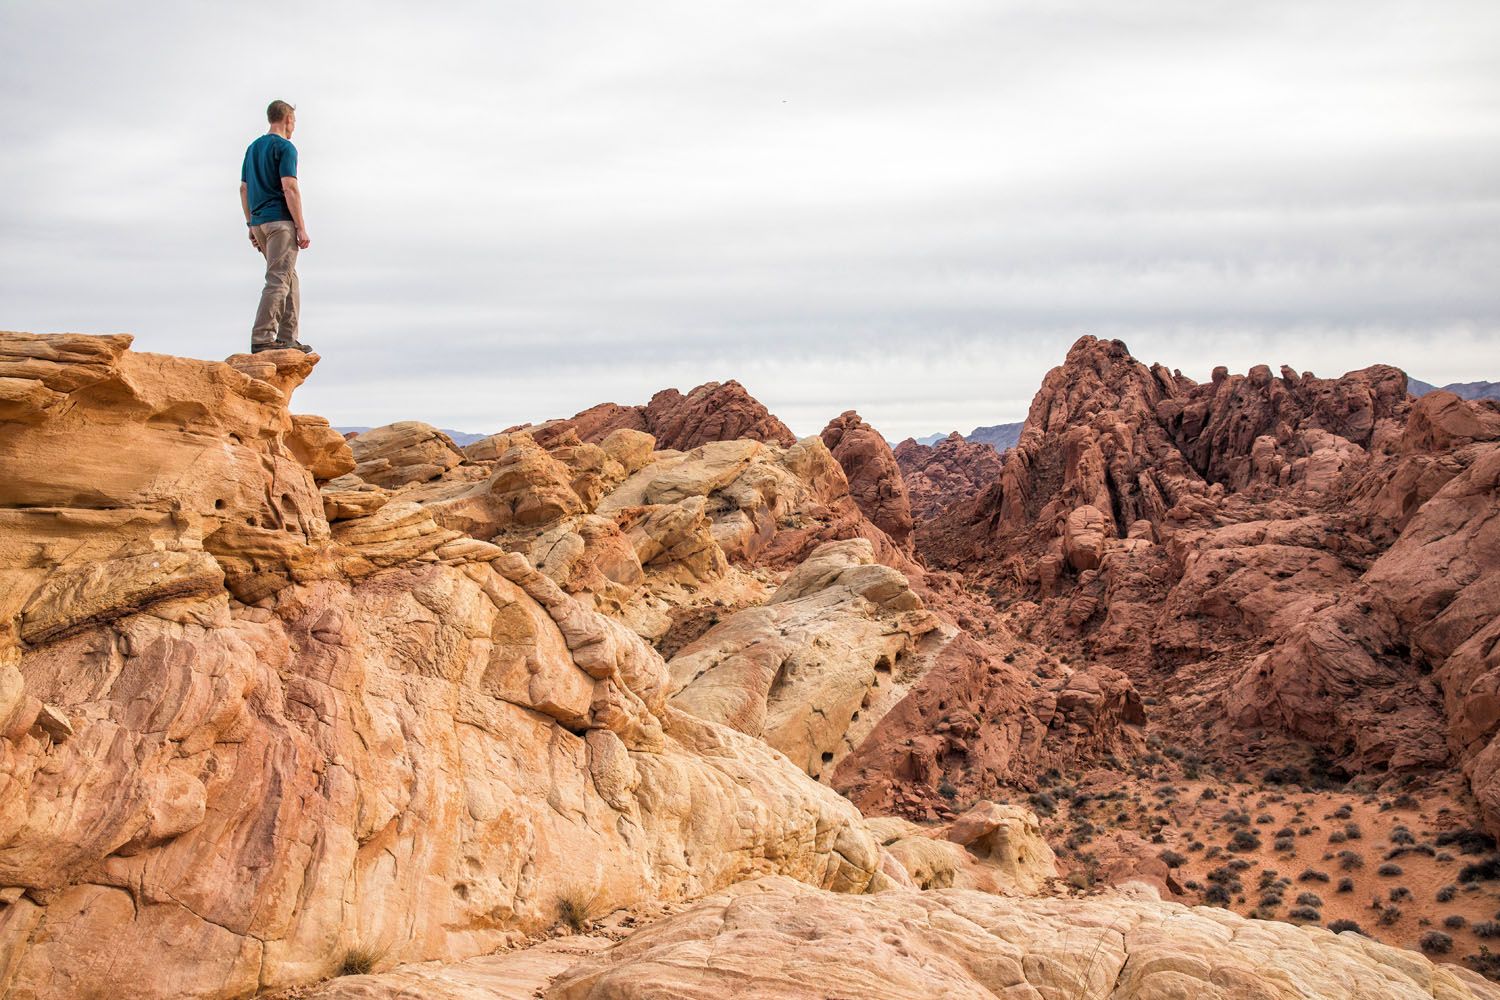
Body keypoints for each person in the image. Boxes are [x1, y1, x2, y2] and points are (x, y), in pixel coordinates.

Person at [240, 100, 313, 354]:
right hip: (280, 222)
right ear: (288, 120)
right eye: (294, 122)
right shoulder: (285, 147)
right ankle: (262, 337)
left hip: (260, 223)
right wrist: (301, 227)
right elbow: (289, 187)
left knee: (288, 276)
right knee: (278, 279)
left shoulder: (252, 148)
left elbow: (244, 188)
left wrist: (251, 224)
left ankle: (287, 337)